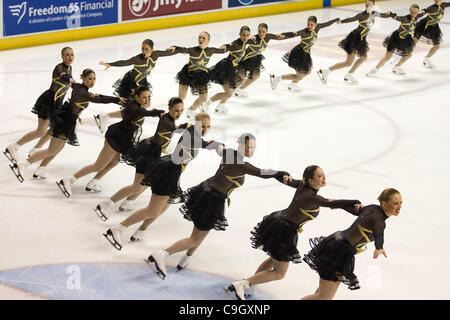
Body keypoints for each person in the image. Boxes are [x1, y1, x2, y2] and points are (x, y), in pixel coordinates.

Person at [145, 133, 290, 279]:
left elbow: (215, 146)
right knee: (195, 238)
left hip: (206, 192)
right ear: (240, 145)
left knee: (202, 233)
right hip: (212, 200)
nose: (251, 150)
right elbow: (262, 172)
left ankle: (186, 258)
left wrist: (204, 141)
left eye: (253, 148)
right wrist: (281, 173)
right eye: (248, 147)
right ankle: (162, 254)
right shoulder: (240, 164)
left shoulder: (228, 152)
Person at [227, 165, 361, 300]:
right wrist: (355, 202)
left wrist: (283, 173)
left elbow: (284, 179)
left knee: (273, 259)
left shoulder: (302, 185)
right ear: (310, 180)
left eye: (323, 174)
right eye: (319, 176)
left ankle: (249, 285)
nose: (323, 178)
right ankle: (243, 284)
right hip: (284, 230)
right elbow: (332, 204)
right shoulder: (312, 197)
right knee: (279, 273)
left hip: (278, 222)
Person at [103, 112, 224, 251]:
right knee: (152, 210)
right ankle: (118, 228)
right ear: (196, 123)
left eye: (208, 126)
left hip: (173, 171)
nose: (205, 129)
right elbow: (204, 143)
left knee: (165, 206)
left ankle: (141, 230)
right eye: (202, 126)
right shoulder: (191, 135)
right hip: (168, 171)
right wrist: (219, 146)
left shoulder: (193, 133)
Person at [9, 69, 125, 183]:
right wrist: (116, 100)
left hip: (65, 119)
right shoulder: (83, 92)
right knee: (51, 149)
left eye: (94, 79)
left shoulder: (78, 87)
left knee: (58, 148)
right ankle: (23, 164)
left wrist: (66, 76)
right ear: (83, 78)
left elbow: (80, 87)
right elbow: (99, 100)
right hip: (65, 120)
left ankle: (41, 168)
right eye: (89, 79)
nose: (92, 81)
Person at [56, 86, 164, 197]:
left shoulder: (135, 105)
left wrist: (104, 97)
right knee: (98, 165)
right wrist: (159, 113)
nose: (146, 99)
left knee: (114, 162)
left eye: (148, 97)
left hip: (123, 138)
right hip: (116, 137)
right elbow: (147, 113)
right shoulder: (134, 107)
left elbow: (137, 108)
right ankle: (69, 180)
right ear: (136, 96)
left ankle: (94, 182)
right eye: (144, 97)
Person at [94, 97, 189, 220]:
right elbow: (174, 128)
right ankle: (106, 204)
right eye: (176, 110)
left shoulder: (168, 118)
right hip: (148, 153)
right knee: (137, 186)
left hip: (153, 151)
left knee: (147, 182)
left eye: (181, 110)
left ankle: (128, 201)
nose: (179, 114)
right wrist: (188, 126)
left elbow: (172, 126)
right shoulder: (167, 122)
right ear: (169, 108)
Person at [301, 188, 402, 300]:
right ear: (384, 204)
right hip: (339, 251)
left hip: (336, 242)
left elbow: (354, 209)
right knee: (323, 296)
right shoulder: (379, 221)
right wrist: (379, 247)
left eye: (401, 203)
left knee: (324, 292)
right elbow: (379, 233)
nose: (399, 207)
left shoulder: (372, 208)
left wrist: (336, 204)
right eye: (396, 203)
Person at [4, 47, 75, 178]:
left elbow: (68, 79)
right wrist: (71, 80)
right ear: (62, 56)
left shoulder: (69, 68)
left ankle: (36, 150)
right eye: (67, 55)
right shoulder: (59, 68)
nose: (70, 57)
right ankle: (14, 146)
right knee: (40, 131)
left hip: (56, 104)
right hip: (48, 102)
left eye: (72, 55)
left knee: (54, 129)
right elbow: (64, 76)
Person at [94, 39, 179, 133]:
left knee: (145, 104)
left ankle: (107, 117)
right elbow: (125, 62)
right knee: (133, 108)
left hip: (142, 83)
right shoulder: (138, 59)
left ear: (152, 49)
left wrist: (175, 47)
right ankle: (105, 117)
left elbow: (169, 53)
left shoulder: (156, 54)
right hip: (132, 85)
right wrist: (110, 64)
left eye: (146, 49)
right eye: (142, 48)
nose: (144, 51)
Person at [317, 0, 392, 85]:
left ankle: (349, 74)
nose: (368, 7)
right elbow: (352, 19)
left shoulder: (374, 13)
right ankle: (326, 71)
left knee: (363, 57)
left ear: (373, 5)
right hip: (354, 38)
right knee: (348, 62)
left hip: (361, 39)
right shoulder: (362, 15)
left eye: (370, 5)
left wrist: (390, 14)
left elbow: (383, 15)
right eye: (366, 5)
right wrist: (341, 21)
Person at [269, 16, 340, 92]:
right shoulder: (304, 32)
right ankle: (278, 78)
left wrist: (335, 20)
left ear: (316, 24)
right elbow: (293, 34)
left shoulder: (317, 27)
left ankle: (293, 84)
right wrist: (283, 34)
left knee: (308, 71)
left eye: (311, 24)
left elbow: (326, 24)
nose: (309, 26)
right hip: (299, 53)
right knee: (299, 76)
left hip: (306, 53)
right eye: (308, 24)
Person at [169, 32, 228, 119]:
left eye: (203, 38)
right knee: (181, 97)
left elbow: (222, 50)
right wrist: (174, 47)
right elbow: (183, 49)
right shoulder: (193, 50)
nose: (201, 39)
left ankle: (191, 110)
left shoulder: (210, 50)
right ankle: (171, 112)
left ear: (208, 41)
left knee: (203, 98)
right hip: (187, 74)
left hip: (200, 76)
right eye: (199, 37)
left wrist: (228, 45)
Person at [202, 26, 251, 114]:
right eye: (243, 35)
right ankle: (207, 103)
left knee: (238, 82)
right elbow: (228, 46)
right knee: (229, 93)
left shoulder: (245, 42)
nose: (245, 37)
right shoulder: (236, 44)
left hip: (231, 68)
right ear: (239, 34)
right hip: (225, 68)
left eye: (247, 35)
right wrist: (222, 47)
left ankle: (221, 105)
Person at [367, 5, 424, 76]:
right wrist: (388, 13)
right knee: (388, 56)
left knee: (409, 55)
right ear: (409, 10)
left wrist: (425, 11)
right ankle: (375, 69)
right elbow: (394, 16)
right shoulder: (404, 18)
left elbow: (424, 12)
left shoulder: (418, 16)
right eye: (412, 12)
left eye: (415, 12)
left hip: (406, 39)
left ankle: (397, 67)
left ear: (418, 12)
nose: (413, 14)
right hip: (396, 38)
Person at [234, 23, 291, 96]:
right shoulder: (254, 39)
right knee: (241, 78)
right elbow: (242, 41)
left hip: (255, 59)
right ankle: (227, 89)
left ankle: (240, 90)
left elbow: (280, 36)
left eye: (263, 32)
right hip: (245, 59)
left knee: (256, 75)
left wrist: (291, 34)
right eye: (259, 31)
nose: (261, 33)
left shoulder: (268, 36)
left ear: (266, 32)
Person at [413, 0, 450, 69]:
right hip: (424, 25)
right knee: (413, 43)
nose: (437, 0)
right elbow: (424, 11)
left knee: (437, 46)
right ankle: (400, 55)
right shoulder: (432, 8)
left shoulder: (443, 5)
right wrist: (419, 13)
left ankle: (427, 59)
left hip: (434, 27)